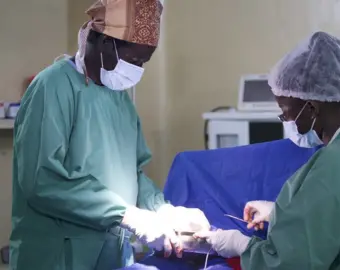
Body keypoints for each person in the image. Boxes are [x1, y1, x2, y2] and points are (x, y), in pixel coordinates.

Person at [9, 1, 209, 269]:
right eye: (134, 59)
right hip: (58, 253)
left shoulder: (119, 99)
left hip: (112, 253)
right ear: (104, 42)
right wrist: (127, 215)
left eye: (144, 62)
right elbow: (41, 180)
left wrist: (163, 211)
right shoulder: (52, 87)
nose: (137, 69)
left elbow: (133, 174)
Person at [195, 31, 340, 269]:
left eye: (285, 111)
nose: (286, 120)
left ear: (311, 107)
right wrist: (279, 213)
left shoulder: (331, 166)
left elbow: (292, 262)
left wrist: (241, 245)